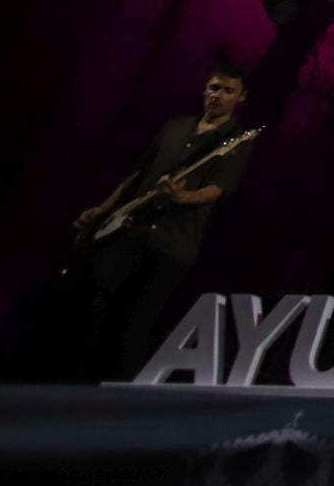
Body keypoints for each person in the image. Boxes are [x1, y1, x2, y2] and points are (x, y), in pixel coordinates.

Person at [73, 62, 256, 378]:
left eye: (228, 91)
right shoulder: (175, 126)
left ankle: (115, 393)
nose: (218, 96)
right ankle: (79, 377)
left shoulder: (236, 142)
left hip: (173, 244)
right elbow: (137, 175)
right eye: (214, 87)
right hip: (131, 228)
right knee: (97, 296)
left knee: (137, 322)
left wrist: (181, 197)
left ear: (241, 97)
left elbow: (215, 191)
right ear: (204, 89)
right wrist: (103, 209)